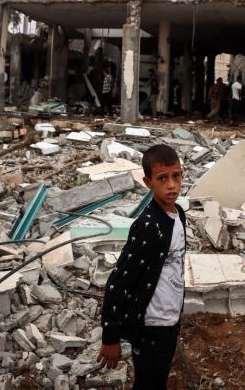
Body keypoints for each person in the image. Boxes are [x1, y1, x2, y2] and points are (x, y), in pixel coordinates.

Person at [98, 145, 186, 389]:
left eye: (176, 176)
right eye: (162, 178)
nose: (171, 185)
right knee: (148, 382)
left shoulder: (179, 214)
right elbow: (119, 280)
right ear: (148, 182)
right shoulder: (147, 225)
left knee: (158, 378)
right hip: (150, 325)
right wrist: (111, 336)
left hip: (170, 318)